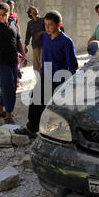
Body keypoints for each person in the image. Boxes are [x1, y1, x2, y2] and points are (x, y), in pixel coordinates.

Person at [15, 10, 78, 138]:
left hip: (60, 78)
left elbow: (73, 64)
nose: (47, 27)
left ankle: (50, 132)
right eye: (45, 24)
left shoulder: (66, 41)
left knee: (52, 106)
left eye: (50, 24)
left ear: (59, 24)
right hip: (46, 75)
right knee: (35, 100)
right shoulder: (46, 37)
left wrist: (71, 83)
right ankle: (32, 128)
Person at [0, 2, 27, 124]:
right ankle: (8, 113)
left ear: (9, 13)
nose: (2, 17)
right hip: (0, 62)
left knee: (10, 85)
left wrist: (23, 55)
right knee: (9, 88)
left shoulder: (13, 24)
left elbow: (18, 40)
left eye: (4, 14)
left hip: (13, 61)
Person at [25, 6, 45, 73]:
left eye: (35, 8)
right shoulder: (30, 23)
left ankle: (45, 81)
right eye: (32, 9)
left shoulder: (44, 20)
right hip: (35, 46)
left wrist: (41, 32)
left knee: (44, 64)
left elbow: (49, 31)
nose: (35, 10)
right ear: (30, 13)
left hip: (44, 45)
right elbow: (28, 35)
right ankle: (39, 81)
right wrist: (26, 45)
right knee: (36, 66)